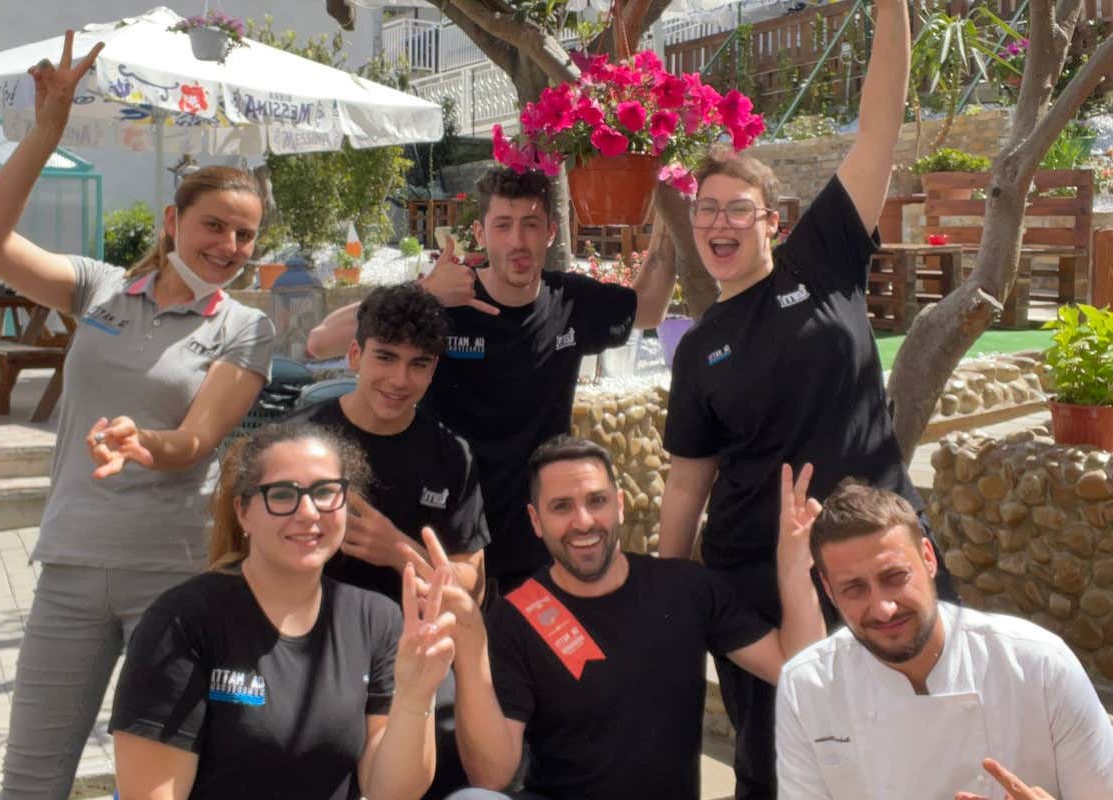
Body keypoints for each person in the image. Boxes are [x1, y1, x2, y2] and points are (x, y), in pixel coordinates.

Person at [0, 33, 276, 799]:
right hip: (69, 560)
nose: (229, 246)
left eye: (246, 235)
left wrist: (145, 442)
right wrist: (46, 132)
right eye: (214, 226)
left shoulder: (245, 327)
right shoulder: (100, 290)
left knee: (160, 783)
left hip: (171, 573)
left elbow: (198, 441)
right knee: (31, 778)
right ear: (174, 221)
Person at [656, 2, 958, 796]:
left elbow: (878, 125)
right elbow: (689, 482)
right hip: (756, 576)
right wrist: (664, 591)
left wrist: (892, 10)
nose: (720, 223)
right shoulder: (699, 347)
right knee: (788, 762)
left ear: (771, 220)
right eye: (706, 209)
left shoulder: (818, 260)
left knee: (932, 731)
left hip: (882, 551)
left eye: (737, 209)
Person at [306, 169, 677, 593]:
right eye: (503, 225)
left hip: (533, 537)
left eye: (531, 225)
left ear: (552, 233)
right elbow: (321, 342)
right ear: (481, 233)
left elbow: (648, 309)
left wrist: (668, 210)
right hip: (445, 529)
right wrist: (425, 290)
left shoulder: (571, 301)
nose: (517, 241)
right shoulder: (446, 299)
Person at [402, 436, 825, 800]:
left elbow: (799, 670)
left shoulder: (688, 587)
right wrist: (471, 643)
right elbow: (489, 777)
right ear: (536, 521)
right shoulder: (516, 615)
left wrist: (794, 567)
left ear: (620, 505)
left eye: (597, 501)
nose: (583, 521)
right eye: (562, 506)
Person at [109, 421, 458, 799]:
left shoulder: (376, 619)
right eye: (282, 494)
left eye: (326, 492)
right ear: (243, 512)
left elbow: (391, 791)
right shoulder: (182, 621)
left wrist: (414, 697)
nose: (308, 512)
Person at [775, 481, 1113, 800]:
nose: (883, 608)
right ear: (829, 590)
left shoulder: (1039, 665)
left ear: (928, 557)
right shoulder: (807, 686)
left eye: (894, 577)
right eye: (854, 588)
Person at [288, 282, 488, 798]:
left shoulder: (452, 455)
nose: (400, 379)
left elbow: (471, 581)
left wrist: (398, 550)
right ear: (355, 354)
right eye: (385, 357)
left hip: (411, 662)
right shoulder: (298, 443)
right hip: (306, 657)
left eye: (419, 364)